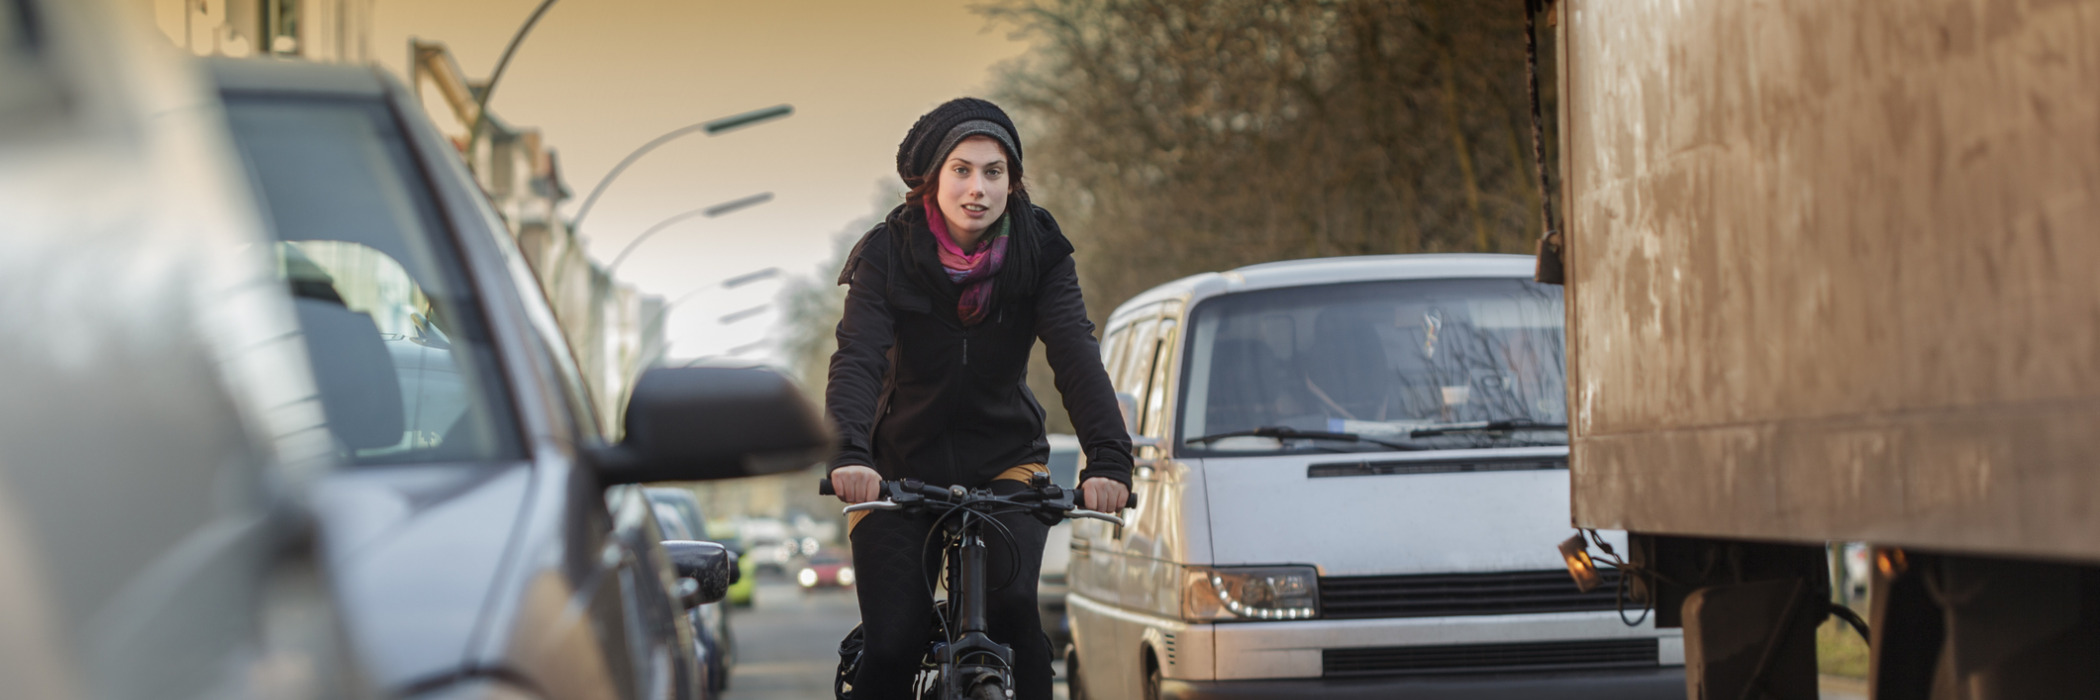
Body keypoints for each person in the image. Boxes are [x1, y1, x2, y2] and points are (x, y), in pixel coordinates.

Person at [825, 97, 1134, 700]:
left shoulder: (1040, 249)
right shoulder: (887, 253)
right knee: (895, 640)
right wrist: (849, 454)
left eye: (994, 172)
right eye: (962, 170)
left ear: (1012, 183)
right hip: (895, 468)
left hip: (1007, 461)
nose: (978, 188)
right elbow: (858, 358)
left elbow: (1074, 353)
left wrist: (1110, 461)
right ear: (933, 179)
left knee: (1017, 614)